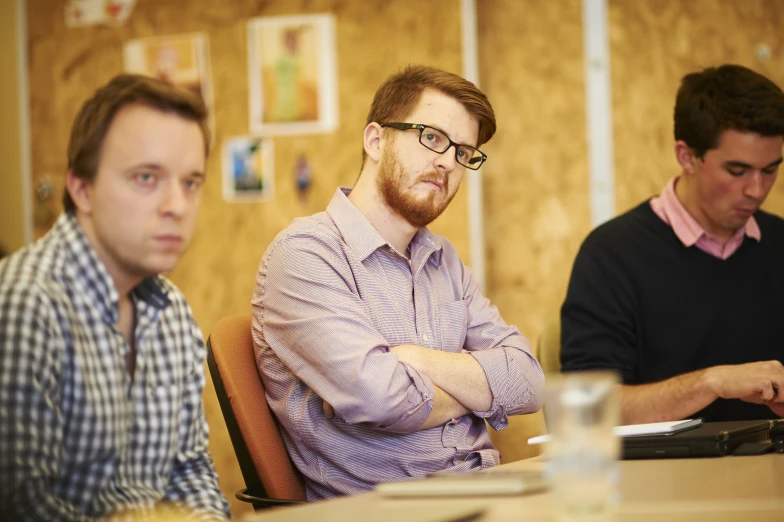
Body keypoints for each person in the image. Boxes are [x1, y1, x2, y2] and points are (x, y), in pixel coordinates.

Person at [252, 65, 544, 499]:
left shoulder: (443, 258)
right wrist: (479, 390)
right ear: (375, 139)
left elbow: (528, 381)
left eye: (464, 152)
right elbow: (383, 399)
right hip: (389, 510)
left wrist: (416, 361)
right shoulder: (304, 255)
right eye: (432, 137)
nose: (447, 161)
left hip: (485, 492)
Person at [0, 74, 231, 520]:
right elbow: (19, 503)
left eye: (191, 182)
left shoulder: (171, 312)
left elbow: (189, 472)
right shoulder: (25, 302)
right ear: (81, 189)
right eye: (147, 177)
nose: (177, 206)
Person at [561, 64, 784, 425]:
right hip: (660, 477)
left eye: (771, 169)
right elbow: (590, 409)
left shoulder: (778, 244)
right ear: (686, 157)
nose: (757, 190)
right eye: (737, 171)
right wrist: (713, 383)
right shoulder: (612, 254)